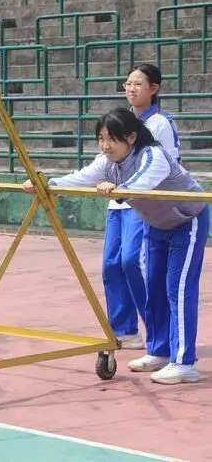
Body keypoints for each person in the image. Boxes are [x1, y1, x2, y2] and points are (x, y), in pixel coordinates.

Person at [23, 108, 208, 384]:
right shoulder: (107, 162)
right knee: (154, 288)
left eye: (111, 139)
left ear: (131, 138)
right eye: (101, 139)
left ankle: (184, 363)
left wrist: (117, 190)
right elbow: (82, 177)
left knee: (177, 289)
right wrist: (46, 184)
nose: (105, 145)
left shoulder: (153, 155)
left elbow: (141, 182)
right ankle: (159, 351)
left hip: (187, 221)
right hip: (156, 224)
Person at [100, 63, 182, 350]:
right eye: (128, 84)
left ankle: (157, 330)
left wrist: (130, 188)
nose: (131, 89)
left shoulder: (160, 123)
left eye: (138, 84)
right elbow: (103, 160)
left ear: (154, 89)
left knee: (132, 261)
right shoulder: (120, 120)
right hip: (118, 202)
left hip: (141, 201)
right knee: (111, 264)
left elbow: (163, 165)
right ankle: (124, 329)